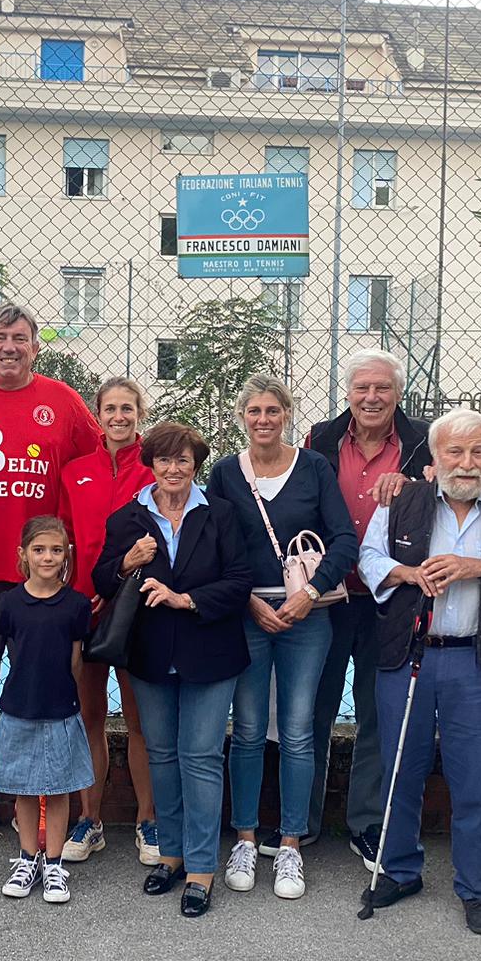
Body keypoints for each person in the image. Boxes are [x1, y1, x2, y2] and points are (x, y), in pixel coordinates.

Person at [357, 408, 481, 935]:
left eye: (478, 451)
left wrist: (480, 569)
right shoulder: (405, 499)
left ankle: (475, 886)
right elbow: (369, 558)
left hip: (477, 660)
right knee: (401, 770)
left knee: (474, 779)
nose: (466, 462)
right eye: (454, 452)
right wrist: (406, 572)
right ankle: (399, 870)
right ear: (435, 458)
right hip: (410, 655)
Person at [0, 304, 102, 849]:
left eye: (20, 338)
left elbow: (104, 463)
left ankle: (49, 798)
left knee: (55, 682)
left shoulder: (64, 402)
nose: (10, 347)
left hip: (48, 578)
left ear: (35, 347)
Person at [205, 375, 357, 900]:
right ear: (242, 416)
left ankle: (290, 844)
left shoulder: (314, 467)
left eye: (273, 410)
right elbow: (214, 547)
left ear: (287, 414)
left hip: (305, 616)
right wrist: (246, 599)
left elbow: (343, 539)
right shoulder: (225, 473)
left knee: (296, 731)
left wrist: (310, 593)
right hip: (247, 613)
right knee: (246, 729)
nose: (263, 420)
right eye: (254, 411)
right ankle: (245, 838)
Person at [93, 423, 252, 918]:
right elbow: (100, 577)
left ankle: (202, 867)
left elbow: (240, 579)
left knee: (200, 757)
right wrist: (126, 562)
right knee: (161, 755)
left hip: (211, 651)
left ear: (195, 465)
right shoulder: (128, 518)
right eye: (164, 460)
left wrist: (186, 599)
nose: (173, 469)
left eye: (183, 460)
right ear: (151, 464)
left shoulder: (222, 515)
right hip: (150, 652)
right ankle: (172, 855)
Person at [304, 348, 433, 869]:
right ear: (348, 394)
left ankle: (367, 823)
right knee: (311, 709)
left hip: (391, 598)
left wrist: (420, 486)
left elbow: (460, 491)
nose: (371, 398)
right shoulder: (321, 438)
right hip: (328, 596)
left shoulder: (425, 440)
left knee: (380, 714)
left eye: (381, 388)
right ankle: (301, 822)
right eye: (362, 388)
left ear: (397, 394)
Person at [55, 376, 158, 865]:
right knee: (87, 717)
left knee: (142, 721)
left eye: (128, 409)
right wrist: (79, 596)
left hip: (137, 612)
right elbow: (63, 540)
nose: (119, 417)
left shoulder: (155, 470)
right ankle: (89, 819)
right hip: (84, 610)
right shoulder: (74, 471)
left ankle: (148, 822)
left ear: (140, 413)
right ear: (97, 414)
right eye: (110, 408)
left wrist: (119, 590)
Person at [0, 517, 95, 904]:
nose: (47, 557)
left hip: (61, 709)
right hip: (19, 707)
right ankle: (27, 858)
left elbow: (75, 661)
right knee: (24, 788)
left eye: (56, 549)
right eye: (39, 550)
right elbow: (10, 655)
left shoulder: (76, 605)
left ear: (66, 553)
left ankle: (54, 864)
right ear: (23, 555)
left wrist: (69, 699)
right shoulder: (10, 603)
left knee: (57, 789)